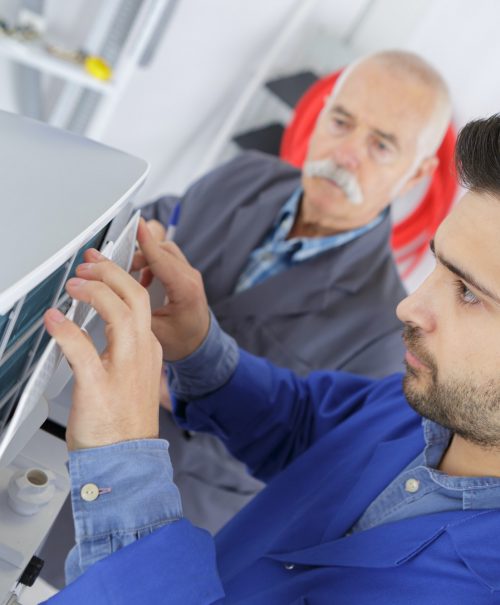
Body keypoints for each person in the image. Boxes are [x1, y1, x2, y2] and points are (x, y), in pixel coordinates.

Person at [44, 114, 500, 604]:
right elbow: (304, 425)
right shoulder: (431, 400)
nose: (409, 308)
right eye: (437, 265)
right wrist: (200, 348)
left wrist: (123, 459)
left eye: (469, 293)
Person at [136, 49, 452, 531]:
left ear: (417, 173)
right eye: (341, 121)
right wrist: (144, 233)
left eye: (381, 145)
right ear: (320, 112)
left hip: (162, 518)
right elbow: (160, 214)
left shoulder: (385, 333)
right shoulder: (241, 176)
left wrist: (154, 379)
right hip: (57, 429)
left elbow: (300, 465)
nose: (345, 153)